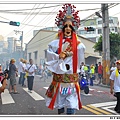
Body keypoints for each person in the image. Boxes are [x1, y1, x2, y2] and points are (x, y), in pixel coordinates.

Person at [45, 4, 85, 115]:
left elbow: (80, 61)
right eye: (66, 26)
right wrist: (59, 56)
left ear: (73, 29)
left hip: (72, 82)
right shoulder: (54, 44)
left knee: (71, 106)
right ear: (62, 28)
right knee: (60, 106)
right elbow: (49, 59)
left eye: (70, 26)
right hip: (60, 81)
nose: (68, 28)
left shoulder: (79, 45)